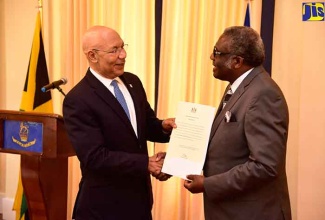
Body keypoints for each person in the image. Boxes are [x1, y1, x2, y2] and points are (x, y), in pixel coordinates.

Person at [63, 26, 175, 220]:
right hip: (103, 206)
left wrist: (164, 126)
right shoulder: (78, 99)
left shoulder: (133, 82)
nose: (123, 55)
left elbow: (145, 126)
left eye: (123, 47)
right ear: (92, 55)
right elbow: (94, 157)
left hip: (140, 201)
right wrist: (145, 164)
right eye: (114, 50)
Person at [184, 26, 292, 220]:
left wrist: (208, 184)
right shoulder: (240, 87)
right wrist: (178, 159)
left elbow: (265, 166)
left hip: (251, 213)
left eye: (217, 52)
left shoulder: (263, 94)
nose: (211, 57)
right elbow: (227, 146)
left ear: (236, 61)